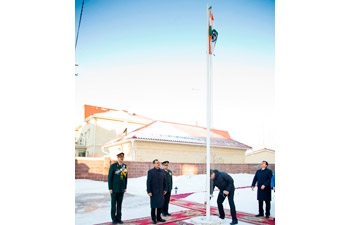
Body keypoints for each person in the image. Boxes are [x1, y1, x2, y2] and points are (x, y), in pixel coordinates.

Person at [108, 152, 128, 224]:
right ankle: (113, 219)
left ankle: (119, 218)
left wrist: (125, 187)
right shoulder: (113, 166)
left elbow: (125, 177)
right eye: (120, 158)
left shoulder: (125, 166)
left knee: (119, 204)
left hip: (121, 188)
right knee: (113, 204)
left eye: (122, 158)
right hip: (114, 189)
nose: (121, 159)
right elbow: (110, 177)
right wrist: (110, 188)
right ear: (118, 158)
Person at [147, 159, 167, 224]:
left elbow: (164, 181)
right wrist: (149, 191)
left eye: (159, 163)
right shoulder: (151, 171)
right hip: (153, 192)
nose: (158, 164)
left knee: (160, 205)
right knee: (153, 206)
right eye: (157, 163)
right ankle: (153, 219)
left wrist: (165, 189)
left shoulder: (162, 171)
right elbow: (148, 182)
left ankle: (159, 217)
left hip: (160, 191)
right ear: (154, 164)